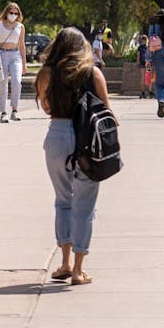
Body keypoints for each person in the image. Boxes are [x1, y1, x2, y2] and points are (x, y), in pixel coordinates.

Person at [35, 27, 112, 285]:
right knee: (84, 205)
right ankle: (78, 270)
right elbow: (107, 112)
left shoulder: (47, 73)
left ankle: (64, 263)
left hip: (57, 134)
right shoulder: (93, 73)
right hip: (87, 139)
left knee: (63, 200)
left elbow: (46, 107)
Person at [0, 2, 28, 122]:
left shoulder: (20, 26)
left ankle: (14, 110)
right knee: (2, 84)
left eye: (15, 13)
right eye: (11, 12)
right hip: (2, 54)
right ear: (6, 12)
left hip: (15, 55)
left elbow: (22, 45)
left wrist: (24, 63)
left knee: (17, 81)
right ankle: (3, 113)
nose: (13, 15)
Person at [136, 34, 154, 99]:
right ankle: (150, 91)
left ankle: (143, 92)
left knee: (143, 78)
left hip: (142, 64)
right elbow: (151, 55)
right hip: (148, 63)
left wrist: (138, 63)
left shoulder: (139, 47)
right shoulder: (149, 47)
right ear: (147, 40)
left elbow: (138, 56)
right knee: (148, 77)